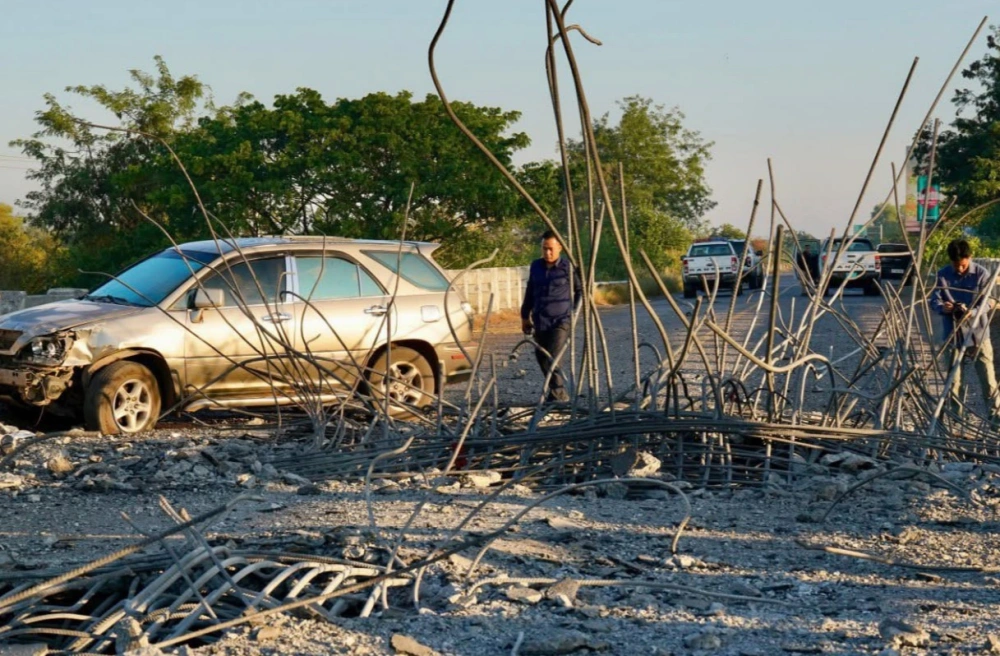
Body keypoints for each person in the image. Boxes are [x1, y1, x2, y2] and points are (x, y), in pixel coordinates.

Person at [930, 238, 1000, 424]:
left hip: (978, 336)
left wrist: (973, 312)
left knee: (989, 383)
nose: (959, 269)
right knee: (953, 384)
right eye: (955, 265)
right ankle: (956, 424)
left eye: (962, 265)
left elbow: (990, 301)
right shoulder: (942, 275)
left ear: (969, 257)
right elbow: (933, 300)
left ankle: (996, 425)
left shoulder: (982, 274)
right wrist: (942, 307)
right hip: (953, 336)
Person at [520, 229, 583, 402]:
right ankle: (556, 393)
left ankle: (558, 396)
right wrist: (525, 316)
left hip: (561, 321)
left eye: (551, 249)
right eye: (544, 248)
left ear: (560, 247)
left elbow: (581, 291)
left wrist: (574, 313)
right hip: (540, 320)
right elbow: (530, 291)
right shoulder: (535, 266)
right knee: (541, 357)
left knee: (553, 359)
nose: (547, 252)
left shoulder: (568, 268)